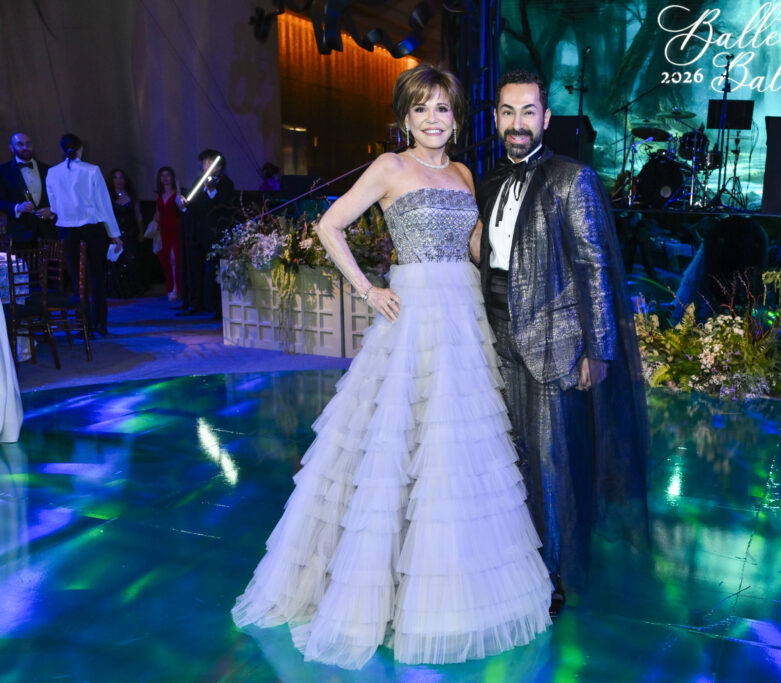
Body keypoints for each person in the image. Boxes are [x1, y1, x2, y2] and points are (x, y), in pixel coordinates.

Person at [232, 64, 551, 669]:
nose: (433, 119)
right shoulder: (388, 167)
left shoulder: (462, 173)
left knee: (457, 455)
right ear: (404, 117)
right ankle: (377, 594)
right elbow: (330, 226)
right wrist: (368, 290)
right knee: (392, 450)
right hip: (413, 318)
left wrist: (529, 237)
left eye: (443, 109)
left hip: (463, 317)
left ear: (458, 119)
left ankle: (455, 595)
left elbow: (479, 248)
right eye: (422, 109)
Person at [473, 69, 650, 616]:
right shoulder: (489, 180)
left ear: (546, 118)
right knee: (505, 454)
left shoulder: (574, 179)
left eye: (529, 112)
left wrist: (598, 351)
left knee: (551, 462)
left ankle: (549, 577)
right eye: (508, 112)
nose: (518, 123)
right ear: (497, 118)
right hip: (493, 329)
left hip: (553, 338)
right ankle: (506, 559)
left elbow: (597, 268)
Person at [45, 134, 123, 337]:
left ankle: (84, 325)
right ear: (80, 149)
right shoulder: (92, 170)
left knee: (78, 280)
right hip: (92, 228)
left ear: (63, 150)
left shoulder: (52, 173)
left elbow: (53, 206)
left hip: (67, 230)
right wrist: (114, 233)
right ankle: (100, 324)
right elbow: (104, 204)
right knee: (96, 276)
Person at [176, 150, 234, 317]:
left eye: (210, 162)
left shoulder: (225, 183)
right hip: (196, 232)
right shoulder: (198, 181)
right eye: (205, 162)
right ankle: (195, 303)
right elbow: (192, 203)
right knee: (194, 268)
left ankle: (217, 308)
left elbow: (222, 206)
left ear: (219, 166)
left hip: (213, 233)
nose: (206, 165)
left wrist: (211, 191)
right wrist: (183, 204)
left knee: (215, 271)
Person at [0, 133, 56, 247]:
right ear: (11, 148)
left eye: (28, 144)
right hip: (20, 234)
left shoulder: (49, 170)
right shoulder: (3, 171)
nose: (25, 147)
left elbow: (60, 197)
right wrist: (17, 207)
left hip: (49, 233)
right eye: (20, 144)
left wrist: (52, 210)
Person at [106, 169, 145, 298]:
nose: (118, 180)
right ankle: (117, 289)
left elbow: (138, 215)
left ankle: (132, 288)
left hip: (130, 232)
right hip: (115, 233)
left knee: (131, 259)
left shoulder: (131, 196)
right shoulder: (109, 197)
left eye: (121, 177)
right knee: (116, 262)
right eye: (115, 178)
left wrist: (141, 231)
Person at [154, 166, 183, 302]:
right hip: (163, 229)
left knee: (175, 258)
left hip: (176, 228)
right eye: (162, 175)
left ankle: (177, 288)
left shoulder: (176, 193)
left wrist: (178, 188)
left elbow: (181, 207)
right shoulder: (159, 195)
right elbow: (157, 214)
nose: (165, 178)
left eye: (168, 175)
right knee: (166, 259)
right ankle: (170, 286)